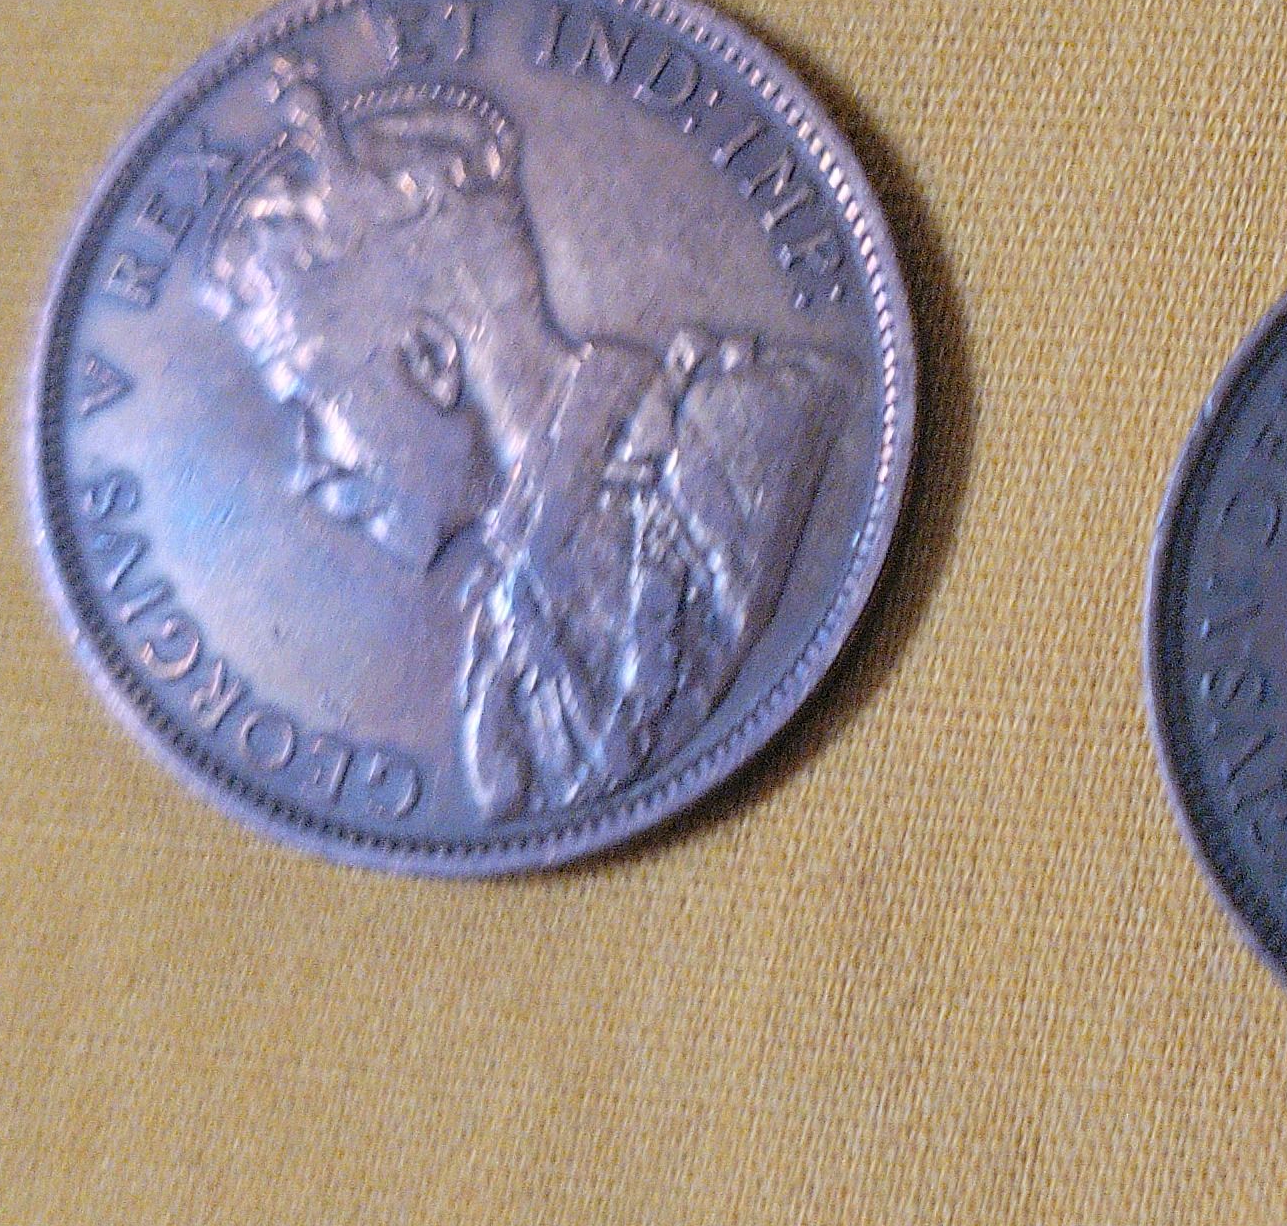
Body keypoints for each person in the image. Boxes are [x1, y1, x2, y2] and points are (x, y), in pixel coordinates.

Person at [199, 58, 836, 820]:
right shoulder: (512, 578)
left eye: (315, 404)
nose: (308, 463)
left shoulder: (747, 439)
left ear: (430, 361)